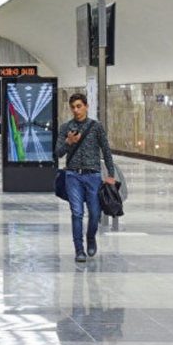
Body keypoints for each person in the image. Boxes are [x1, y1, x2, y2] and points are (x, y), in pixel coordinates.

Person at [55, 93, 117, 263]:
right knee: (77, 212)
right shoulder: (65, 128)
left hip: (93, 175)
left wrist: (110, 174)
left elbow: (106, 150)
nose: (76, 110)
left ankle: (91, 237)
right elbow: (58, 153)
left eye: (79, 106)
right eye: (73, 107)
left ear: (86, 106)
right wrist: (68, 142)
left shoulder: (96, 127)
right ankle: (79, 249)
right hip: (73, 175)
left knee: (95, 213)